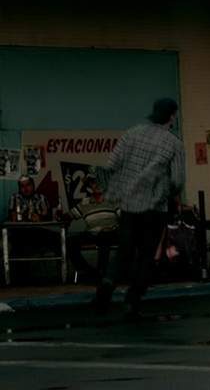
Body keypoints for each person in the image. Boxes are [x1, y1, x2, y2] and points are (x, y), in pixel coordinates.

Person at [93, 97, 185, 318]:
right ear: (172, 116)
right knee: (146, 254)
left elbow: (111, 164)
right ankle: (132, 299)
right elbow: (178, 180)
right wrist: (168, 196)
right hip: (155, 208)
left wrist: (120, 189)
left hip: (129, 205)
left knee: (124, 250)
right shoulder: (173, 143)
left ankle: (107, 282)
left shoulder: (131, 134)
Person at [65, 175, 119, 283]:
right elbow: (70, 215)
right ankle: (89, 272)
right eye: (94, 183)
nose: (98, 185)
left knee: (105, 236)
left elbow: (124, 217)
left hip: (111, 232)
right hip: (92, 233)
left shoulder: (113, 200)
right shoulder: (85, 203)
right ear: (90, 186)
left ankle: (102, 272)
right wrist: (61, 215)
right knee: (69, 242)